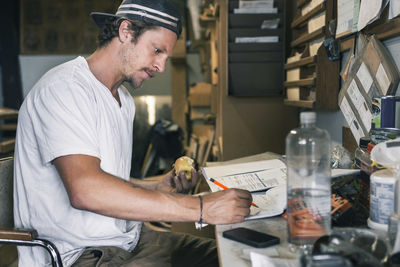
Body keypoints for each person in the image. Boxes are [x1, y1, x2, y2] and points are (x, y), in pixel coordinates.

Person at [13, 0, 253, 266]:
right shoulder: (65, 89)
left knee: (237, 258)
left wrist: (156, 187)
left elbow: (105, 178)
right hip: (81, 255)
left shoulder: (123, 100)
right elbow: (86, 190)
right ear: (126, 31)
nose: (161, 66)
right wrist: (201, 208)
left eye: (165, 57)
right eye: (157, 50)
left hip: (129, 239)